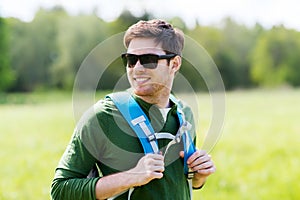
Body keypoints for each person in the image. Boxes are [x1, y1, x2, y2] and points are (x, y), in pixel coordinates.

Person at [50, 19, 216, 200]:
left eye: (148, 60)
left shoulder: (184, 115)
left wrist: (199, 177)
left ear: (174, 64)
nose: (137, 68)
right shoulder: (103, 116)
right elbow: (60, 190)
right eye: (131, 60)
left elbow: (181, 183)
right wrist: (133, 176)